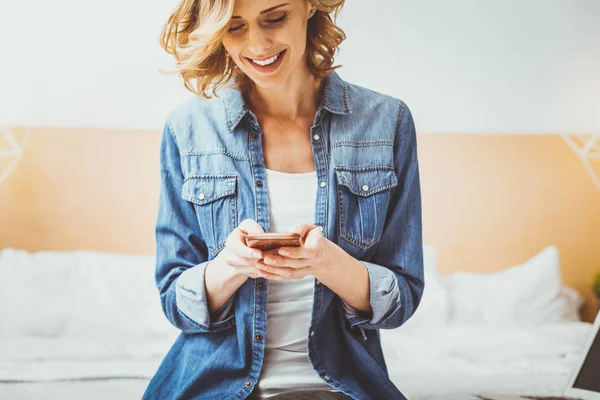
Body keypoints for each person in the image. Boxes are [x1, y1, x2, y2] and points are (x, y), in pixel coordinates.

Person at [143, 0, 424, 399]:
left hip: (345, 386)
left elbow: (401, 298)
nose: (257, 45)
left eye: (275, 18)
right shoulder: (188, 129)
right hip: (212, 387)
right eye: (235, 27)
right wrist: (231, 265)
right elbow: (175, 300)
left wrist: (326, 262)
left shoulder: (386, 122)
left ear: (310, 6)